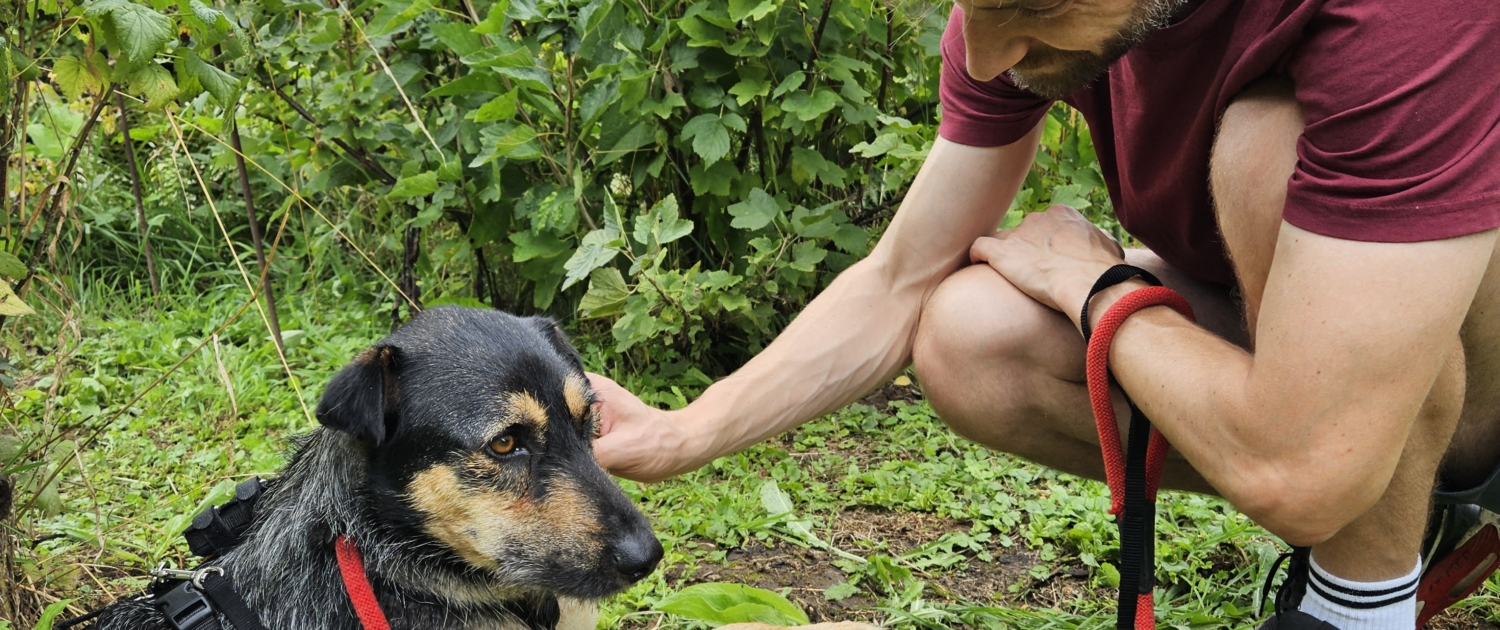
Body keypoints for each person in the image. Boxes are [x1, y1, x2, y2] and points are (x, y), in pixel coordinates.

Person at [589, 0, 1500, 626]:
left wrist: (1095, 289)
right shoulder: (1028, 22)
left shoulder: (1402, 20)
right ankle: (1417, 523)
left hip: (1466, 368)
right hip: (1322, 367)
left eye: (1033, 6)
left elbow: (1303, 474)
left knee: (1268, 149)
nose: (987, 56)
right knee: (969, 334)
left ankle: (1358, 605)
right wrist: (679, 434)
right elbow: (901, 276)